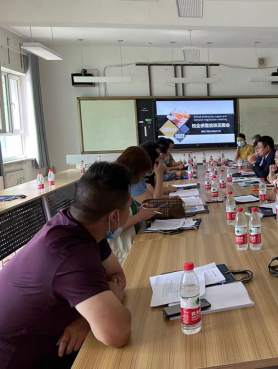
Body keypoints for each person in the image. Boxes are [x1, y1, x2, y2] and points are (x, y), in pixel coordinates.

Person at [0, 162, 132, 369]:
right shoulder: (73, 255)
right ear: (114, 217)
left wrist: (85, 321)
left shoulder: (77, 223)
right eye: (129, 206)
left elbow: (117, 275)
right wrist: (102, 308)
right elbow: (117, 334)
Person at [113, 147, 160, 264]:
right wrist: (139, 217)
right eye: (142, 173)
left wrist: (140, 210)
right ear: (135, 170)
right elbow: (112, 230)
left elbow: (126, 213)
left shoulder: (125, 185)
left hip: (132, 242)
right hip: (120, 252)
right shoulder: (113, 189)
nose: (142, 177)